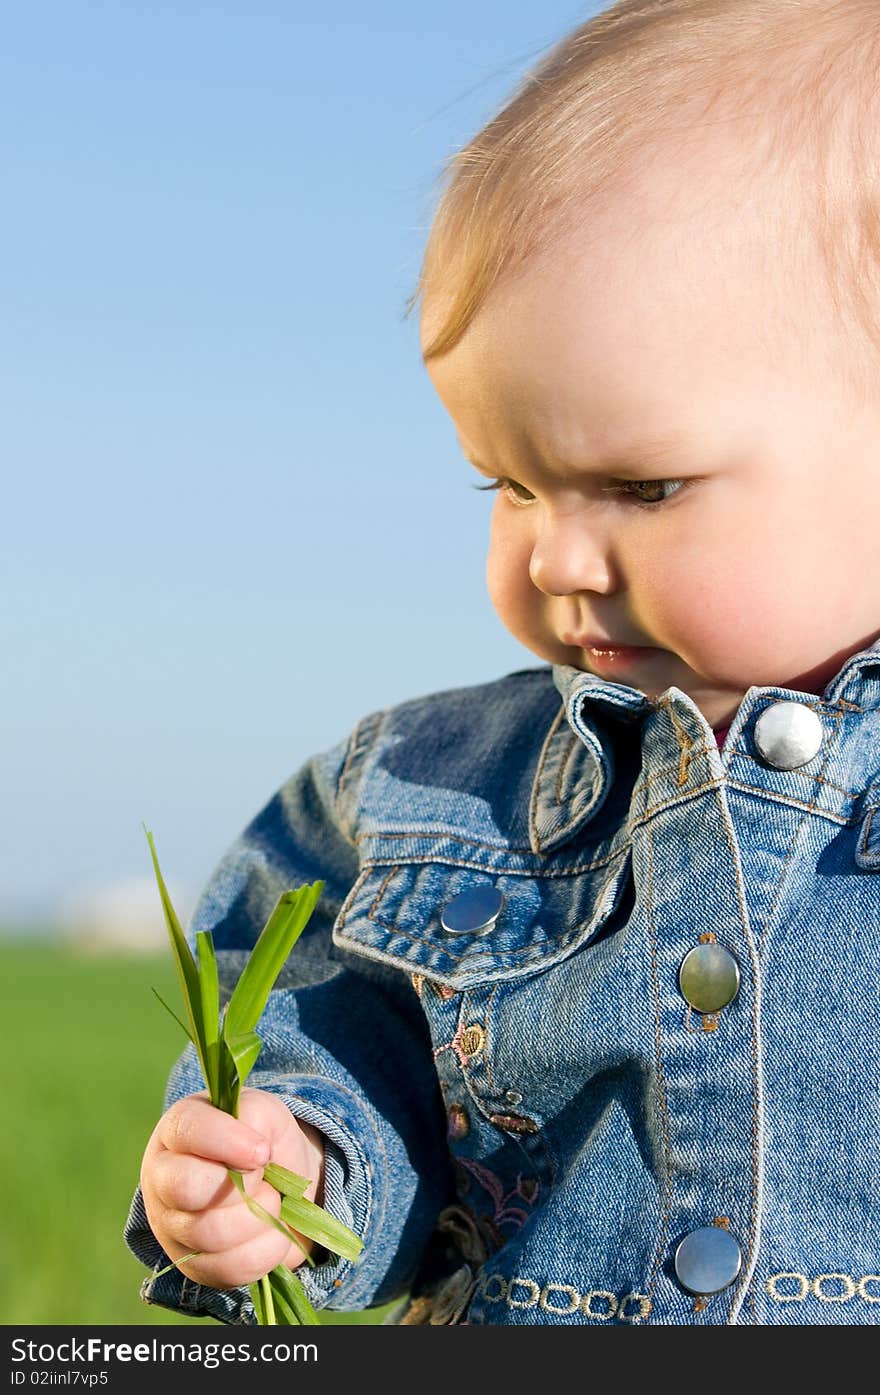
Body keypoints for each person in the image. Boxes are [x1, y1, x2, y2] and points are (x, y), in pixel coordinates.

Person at [125, 0, 880, 1326]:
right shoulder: (434, 791)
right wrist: (291, 1163)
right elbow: (324, 1024)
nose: (554, 560)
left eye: (642, 485)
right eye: (511, 485)